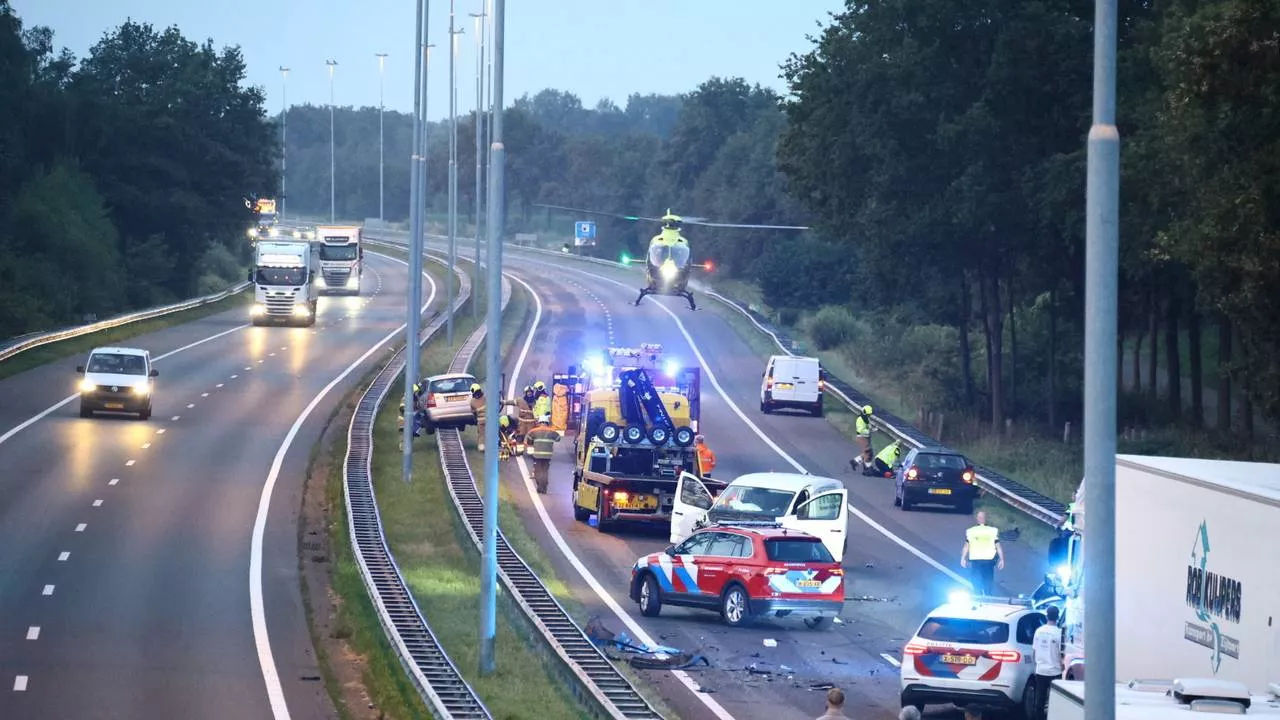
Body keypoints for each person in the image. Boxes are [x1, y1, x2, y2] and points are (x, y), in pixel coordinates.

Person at [1031, 605, 1064, 719]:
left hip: (1041, 670)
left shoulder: (1038, 631)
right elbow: (1061, 653)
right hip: (1055, 671)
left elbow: (1034, 651)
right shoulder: (1059, 633)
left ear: (1046, 616)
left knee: (1039, 701)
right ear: (1058, 617)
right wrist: (1062, 665)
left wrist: (1036, 665)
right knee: (1055, 702)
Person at [961, 511, 1005, 596]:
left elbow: (966, 546)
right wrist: (1001, 559)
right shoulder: (992, 531)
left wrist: (963, 558)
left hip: (977, 559)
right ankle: (987, 596)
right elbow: (998, 546)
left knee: (976, 579)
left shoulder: (971, 531)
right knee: (987, 579)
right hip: (988, 560)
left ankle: (979, 595)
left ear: (978, 519)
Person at [469, 382, 513, 452]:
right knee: (499, 431)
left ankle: (482, 448)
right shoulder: (486, 397)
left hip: (481, 422)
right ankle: (504, 446)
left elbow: (474, 413)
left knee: (481, 435)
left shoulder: (472, 402)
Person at [525, 415, 563, 494]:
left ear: (539, 422)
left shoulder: (534, 431)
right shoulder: (552, 431)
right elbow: (558, 439)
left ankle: (540, 487)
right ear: (547, 422)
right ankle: (544, 488)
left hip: (537, 455)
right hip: (547, 456)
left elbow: (529, 440)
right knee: (545, 471)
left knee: (538, 471)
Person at [852, 405, 874, 473]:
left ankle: (855, 461)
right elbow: (860, 430)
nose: (869, 416)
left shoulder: (866, 418)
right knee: (868, 452)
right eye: (868, 414)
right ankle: (866, 468)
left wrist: (872, 428)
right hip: (862, 437)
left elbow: (868, 426)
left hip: (866, 437)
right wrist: (869, 431)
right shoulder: (860, 419)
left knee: (868, 452)